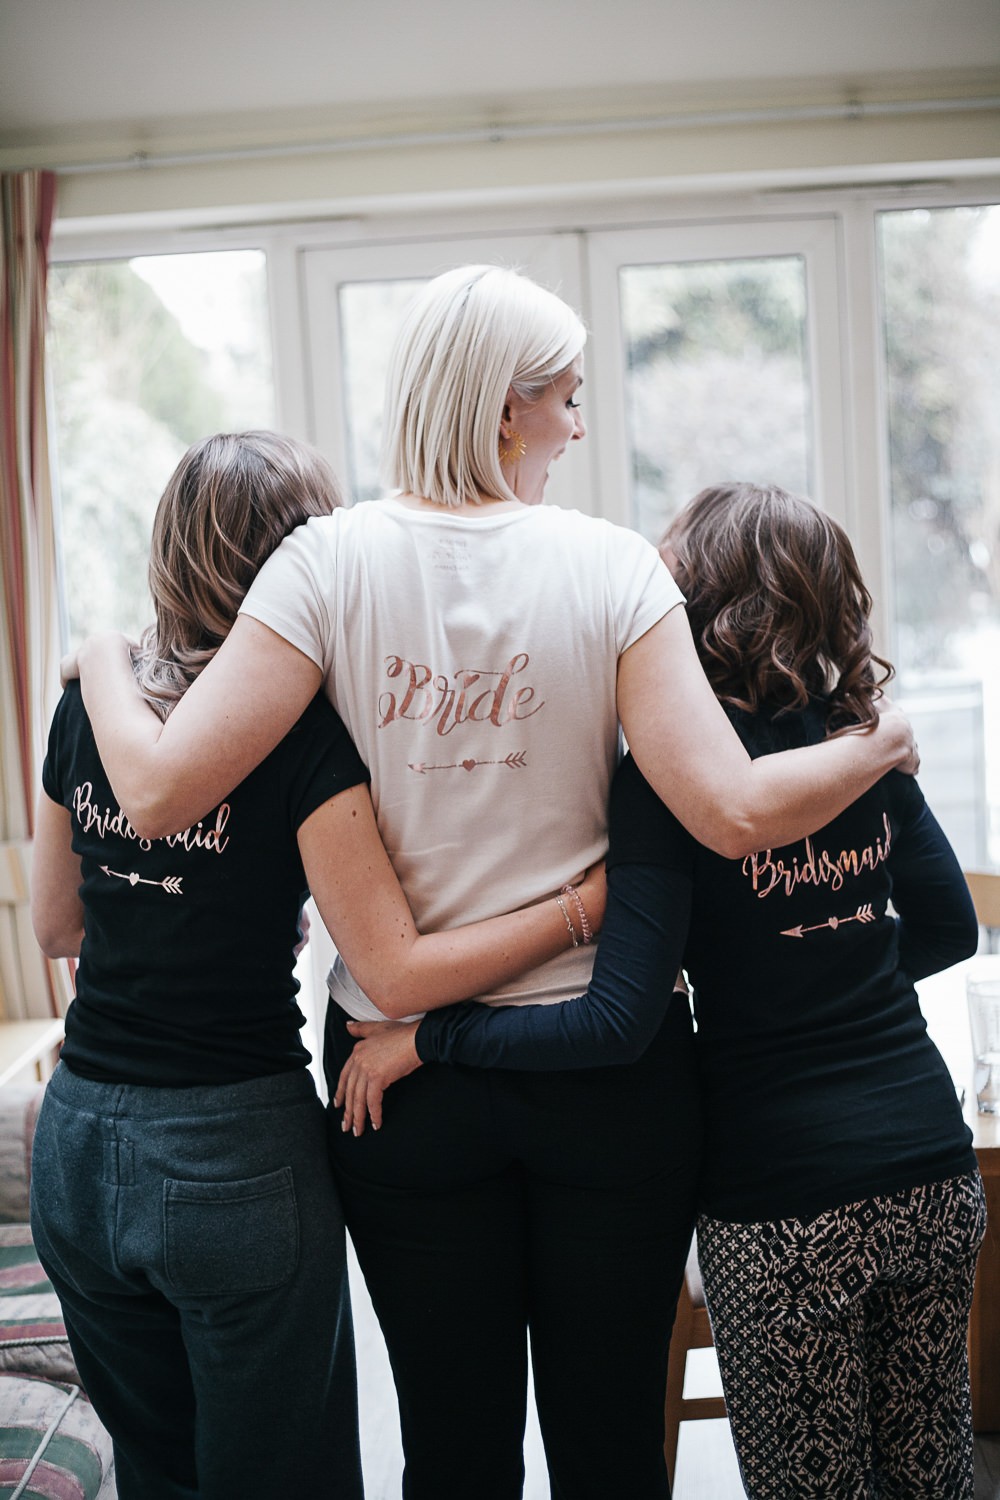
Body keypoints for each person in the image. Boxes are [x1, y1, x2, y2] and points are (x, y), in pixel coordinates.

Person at [68, 269, 919, 1500]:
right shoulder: (615, 568)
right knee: (610, 1448)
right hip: (608, 1078)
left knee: (452, 1449)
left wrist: (95, 655)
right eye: (567, 399)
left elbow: (156, 795)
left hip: (398, 1076)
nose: (578, 426)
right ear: (506, 408)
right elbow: (731, 811)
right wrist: (882, 744)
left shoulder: (319, 565)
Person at [344, 482, 984, 1498]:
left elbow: (615, 1020)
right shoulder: (864, 749)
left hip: (785, 1208)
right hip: (933, 1177)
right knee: (932, 1474)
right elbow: (949, 928)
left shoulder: (668, 787)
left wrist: (430, 1042)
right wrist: (833, 974)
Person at [29, 430, 607, 1500]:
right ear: (305, 564)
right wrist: (583, 905)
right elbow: (394, 970)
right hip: (226, 1144)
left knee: (155, 1471)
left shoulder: (83, 708)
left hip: (77, 1140)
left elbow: (56, 927)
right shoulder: (299, 736)